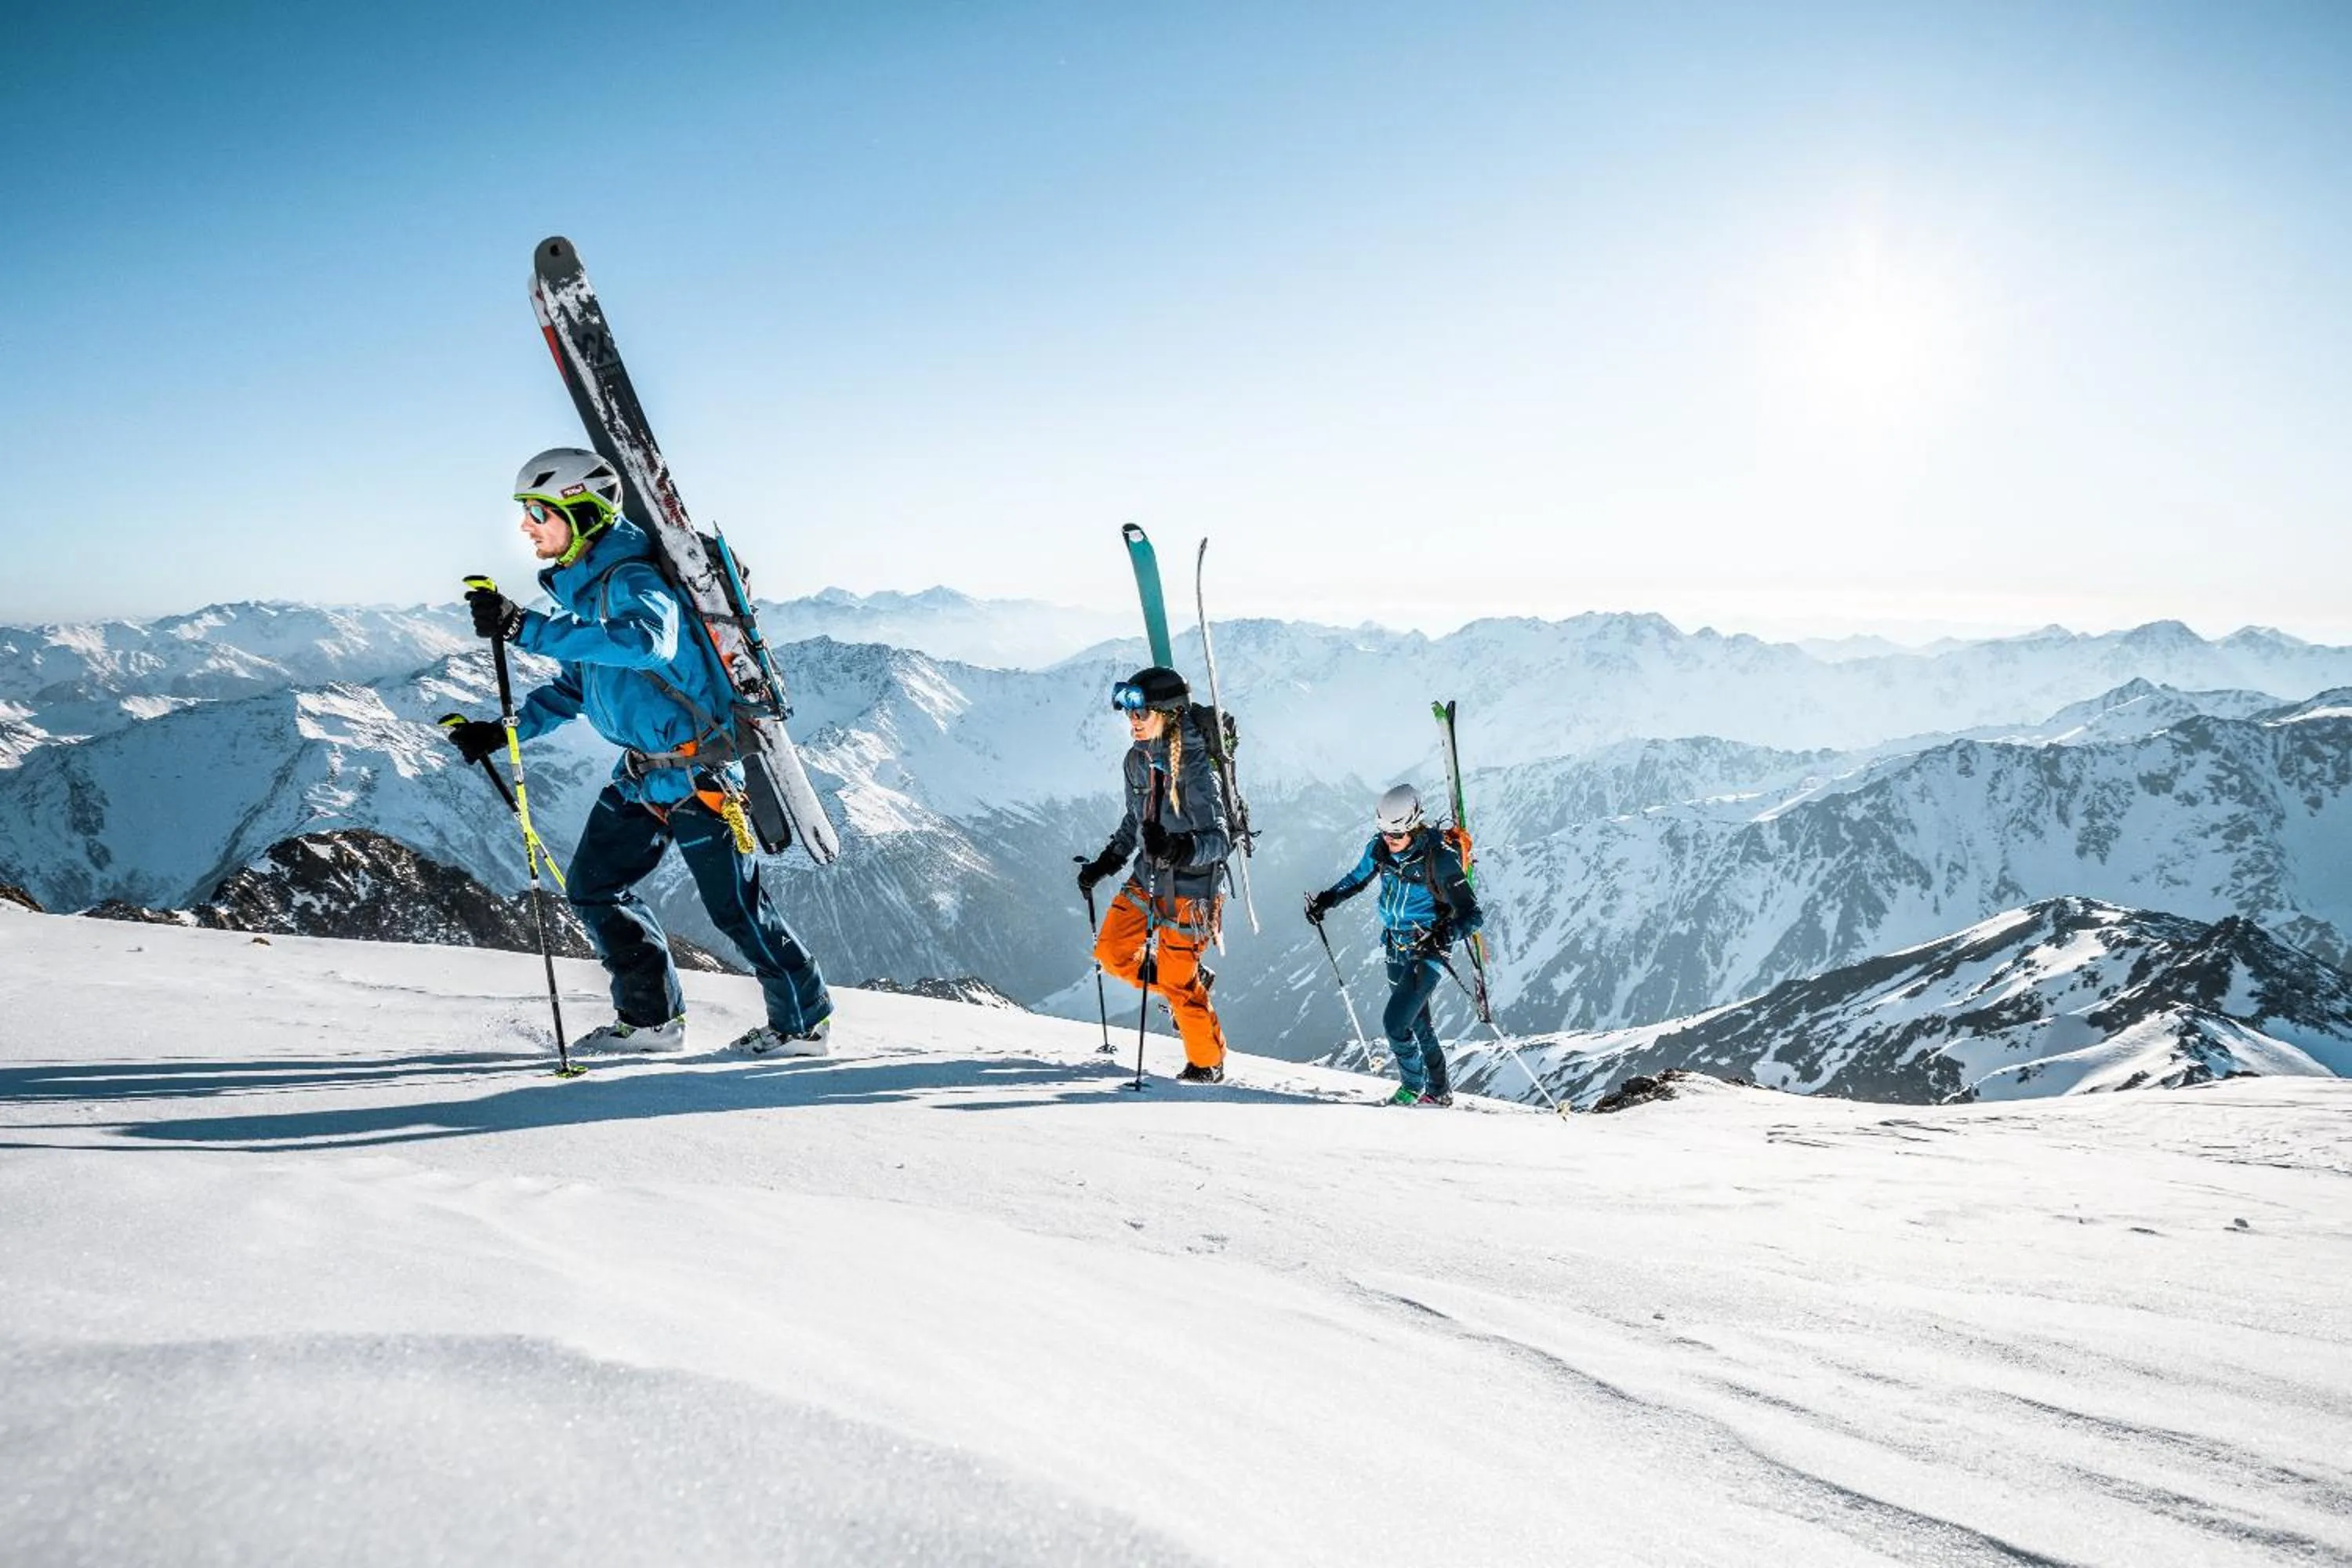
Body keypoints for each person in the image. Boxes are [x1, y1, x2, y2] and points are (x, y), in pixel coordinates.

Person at [444, 446, 832, 1056]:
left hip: (700, 778)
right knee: (594, 887)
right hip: (641, 778)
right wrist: (503, 731)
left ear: (584, 512)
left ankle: (803, 1025)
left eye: (537, 511)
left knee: (737, 911)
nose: (525, 526)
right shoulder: (588, 593)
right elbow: (580, 684)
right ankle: (652, 1021)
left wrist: (527, 629)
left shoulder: (633, 580)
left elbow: (649, 644)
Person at [1075, 666, 1234, 1083]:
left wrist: (1180, 848)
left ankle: (1207, 1064)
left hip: (1192, 890)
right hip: (1146, 877)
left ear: (1168, 713)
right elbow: (1135, 818)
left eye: (1141, 713)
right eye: (1130, 714)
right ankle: (1187, 977)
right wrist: (1107, 862)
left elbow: (1221, 840)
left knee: (1179, 986)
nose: (1133, 721)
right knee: (1111, 953)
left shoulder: (1197, 768)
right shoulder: (1136, 760)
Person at [1305, 783, 1482, 1105]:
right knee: (1418, 1021)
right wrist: (1326, 901)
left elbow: (1473, 916)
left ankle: (1411, 1087)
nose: (1390, 840)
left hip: (1428, 949)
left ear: (1414, 826)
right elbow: (1356, 879)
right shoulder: (1380, 848)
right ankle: (1440, 1092)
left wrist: (1442, 936)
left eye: (1396, 835)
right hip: (1395, 946)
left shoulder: (1439, 860)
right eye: (1384, 832)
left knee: (1395, 1023)